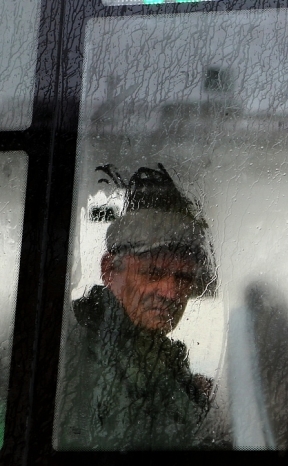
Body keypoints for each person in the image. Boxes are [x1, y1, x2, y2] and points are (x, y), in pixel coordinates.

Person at [55, 164, 221, 450]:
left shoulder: (156, 355)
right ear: (110, 271)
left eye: (182, 277)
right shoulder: (76, 349)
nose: (171, 292)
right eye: (152, 273)